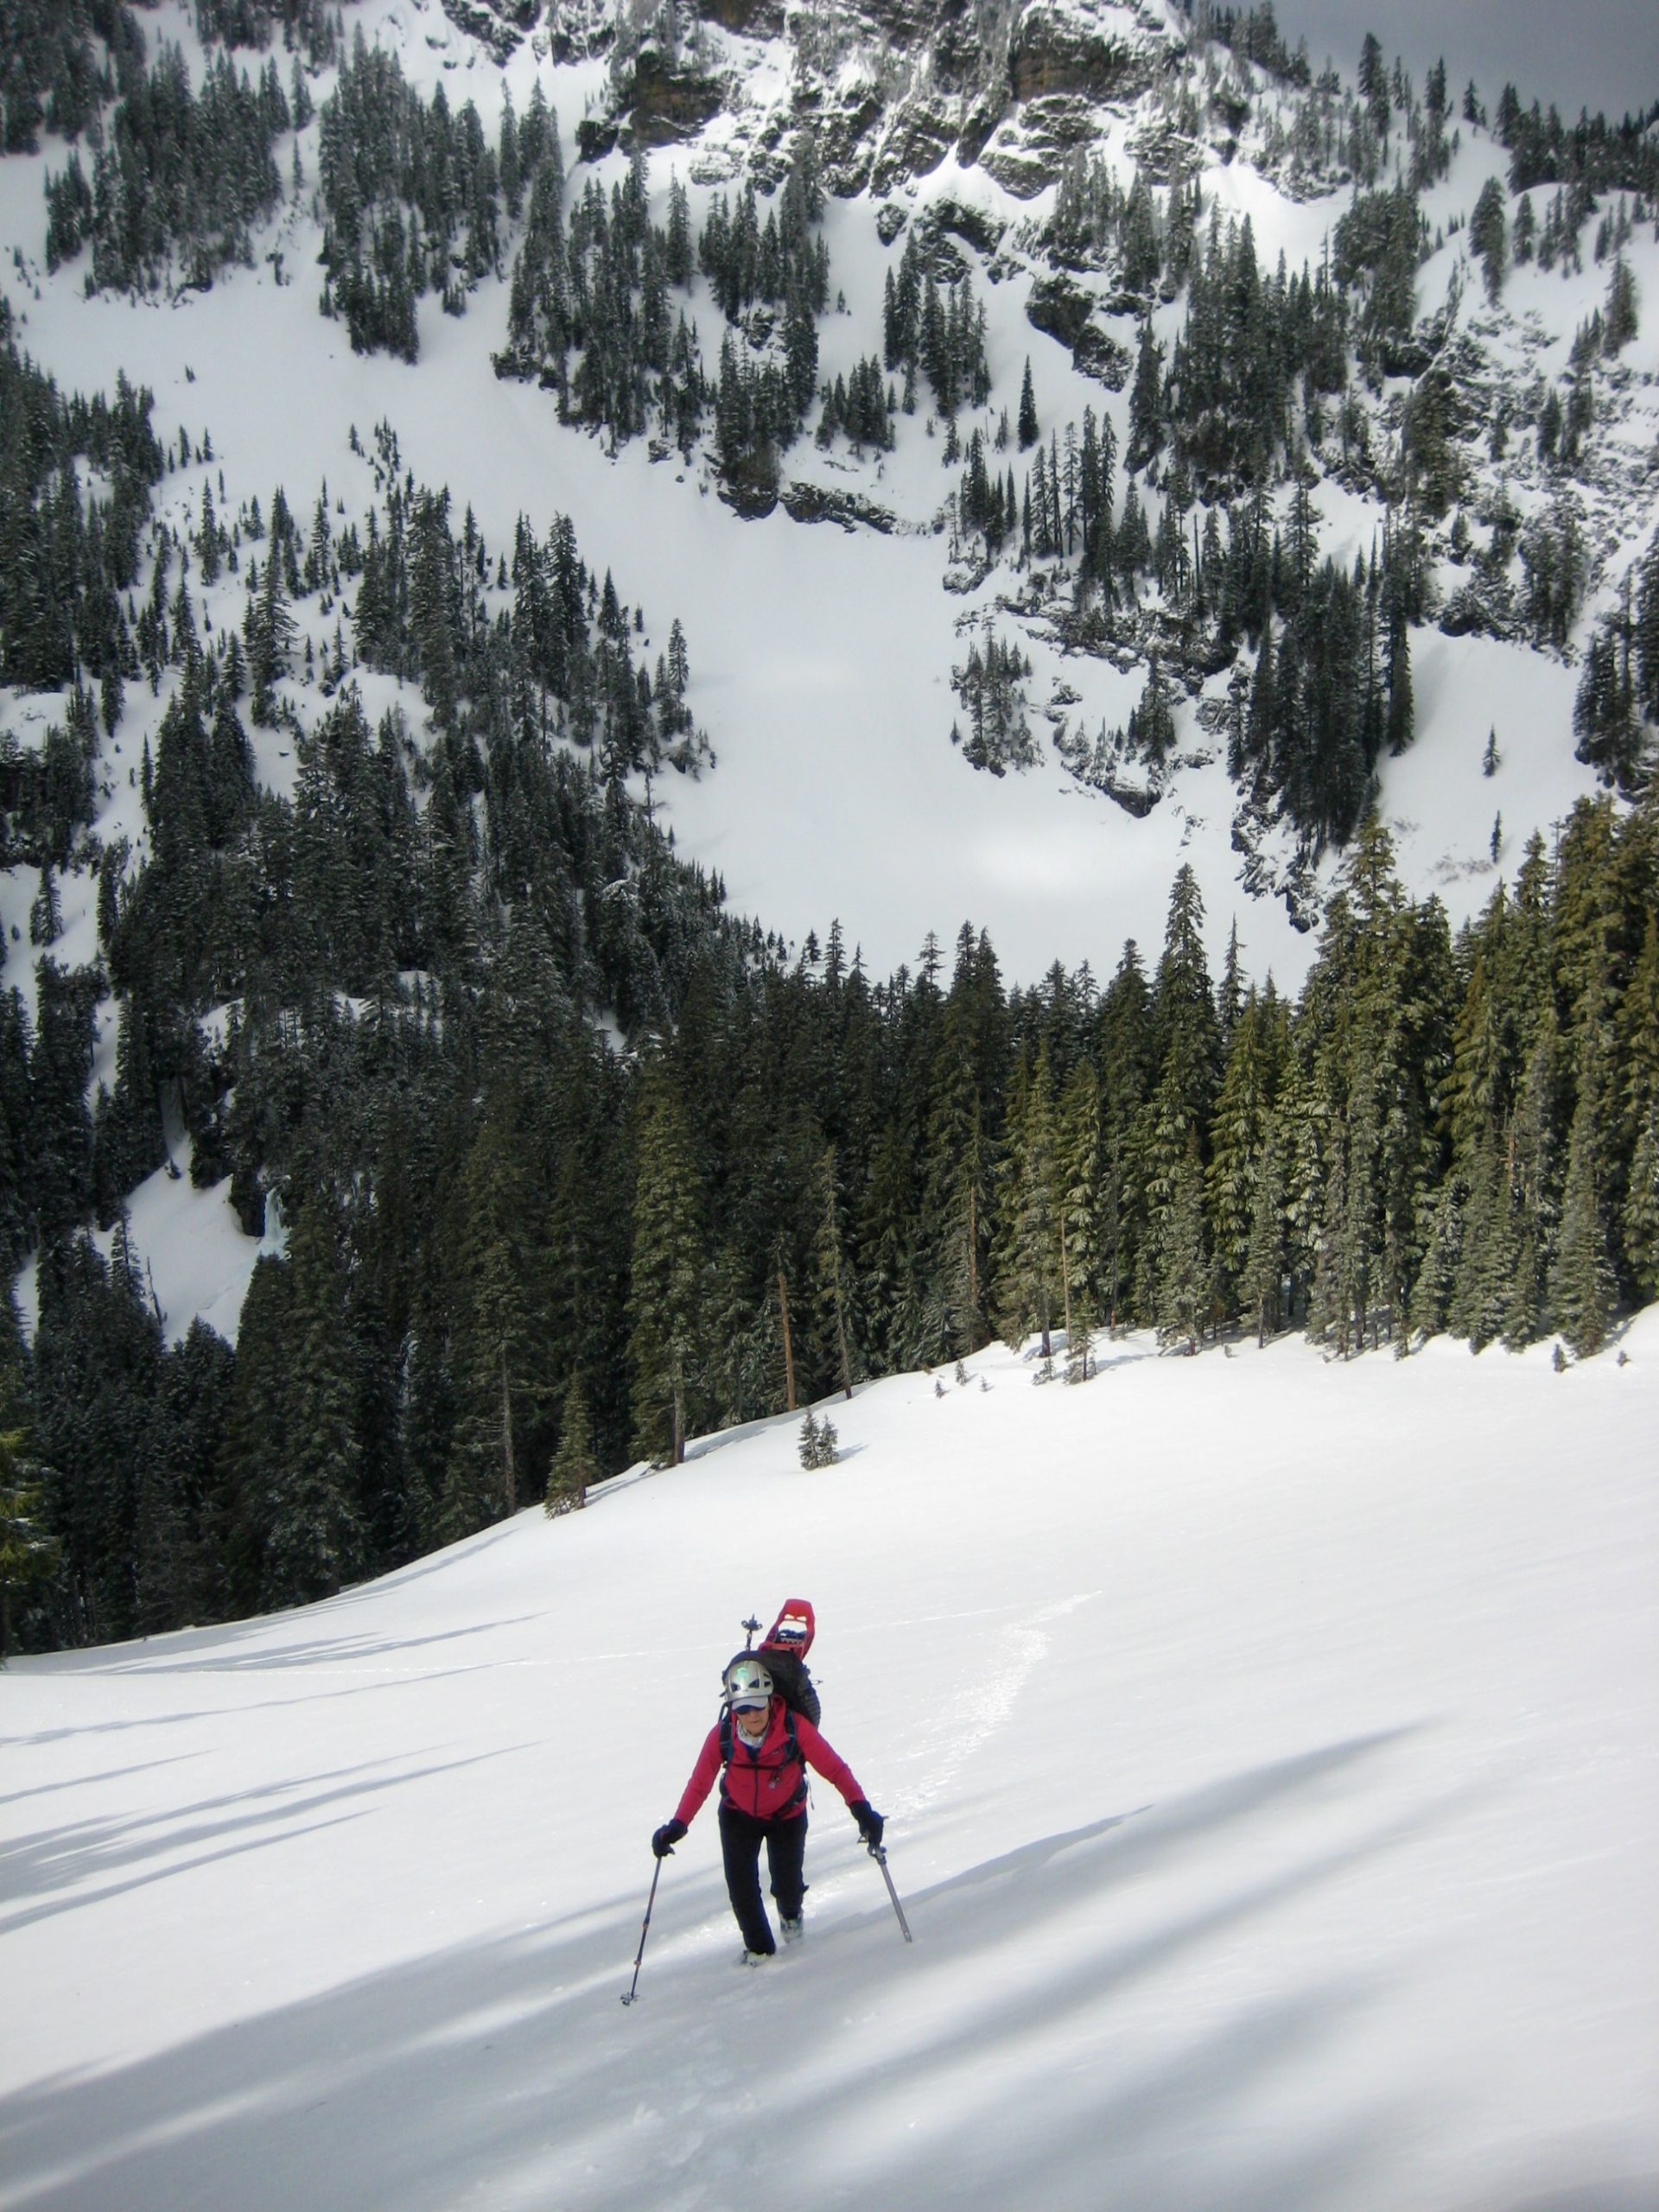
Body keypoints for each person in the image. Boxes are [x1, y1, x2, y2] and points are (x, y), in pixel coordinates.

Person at [652, 1656, 885, 1962]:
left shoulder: (793, 1728)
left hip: (787, 1816)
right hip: (737, 1817)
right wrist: (677, 1826)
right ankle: (760, 1955)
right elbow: (700, 1783)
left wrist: (861, 1809)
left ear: (770, 1699)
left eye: (758, 1705)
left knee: (787, 1886)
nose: (751, 1715)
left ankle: (791, 1915)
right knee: (742, 1893)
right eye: (742, 1708)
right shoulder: (723, 1735)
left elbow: (835, 1770)